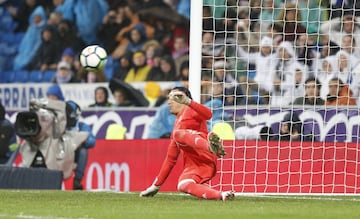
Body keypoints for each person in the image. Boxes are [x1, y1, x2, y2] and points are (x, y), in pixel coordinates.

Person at [140, 87, 235, 201]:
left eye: (174, 97)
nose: (169, 102)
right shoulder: (177, 126)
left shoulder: (191, 110)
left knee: (177, 134)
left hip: (205, 153)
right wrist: (156, 186)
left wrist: (188, 102)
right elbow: (170, 160)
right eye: (169, 98)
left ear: (183, 99)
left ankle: (211, 146)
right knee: (183, 185)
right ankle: (222, 195)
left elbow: (208, 114)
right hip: (194, 165)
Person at [66, 100, 96, 190]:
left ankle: (77, 181)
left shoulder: (82, 126)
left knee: (83, 151)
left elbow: (92, 141)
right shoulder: (57, 125)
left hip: (75, 154)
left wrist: (83, 141)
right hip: (60, 152)